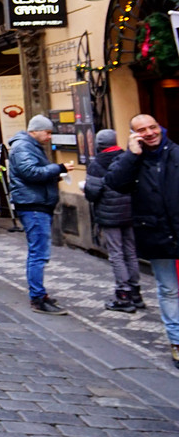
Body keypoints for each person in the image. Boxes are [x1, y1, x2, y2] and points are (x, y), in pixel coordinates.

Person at [105, 113, 179, 365]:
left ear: (160, 127)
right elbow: (115, 183)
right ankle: (176, 340)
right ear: (134, 134)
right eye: (142, 130)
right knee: (168, 289)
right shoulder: (132, 160)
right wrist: (131, 154)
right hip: (156, 233)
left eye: (152, 127)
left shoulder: (176, 153)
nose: (149, 133)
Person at [7, 115, 74, 314]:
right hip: (33, 205)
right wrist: (58, 168)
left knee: (38, 252)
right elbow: (31, 172)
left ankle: (39, 294)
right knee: (38, 253)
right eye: (47, 132)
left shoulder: (30, 146)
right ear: (35, 130)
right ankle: (37, 297)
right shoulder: (23, 147)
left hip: (36, 203)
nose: (49, 136)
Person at [83, 128, 141, 313]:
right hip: (130, 211)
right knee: (130, 252)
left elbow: (93, 192)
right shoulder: (127, 157)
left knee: (116, 254)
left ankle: (123, 294)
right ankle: (136, 292)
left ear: (99, 144)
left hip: (109, 214)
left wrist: (85, 190)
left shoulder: (97, 163)